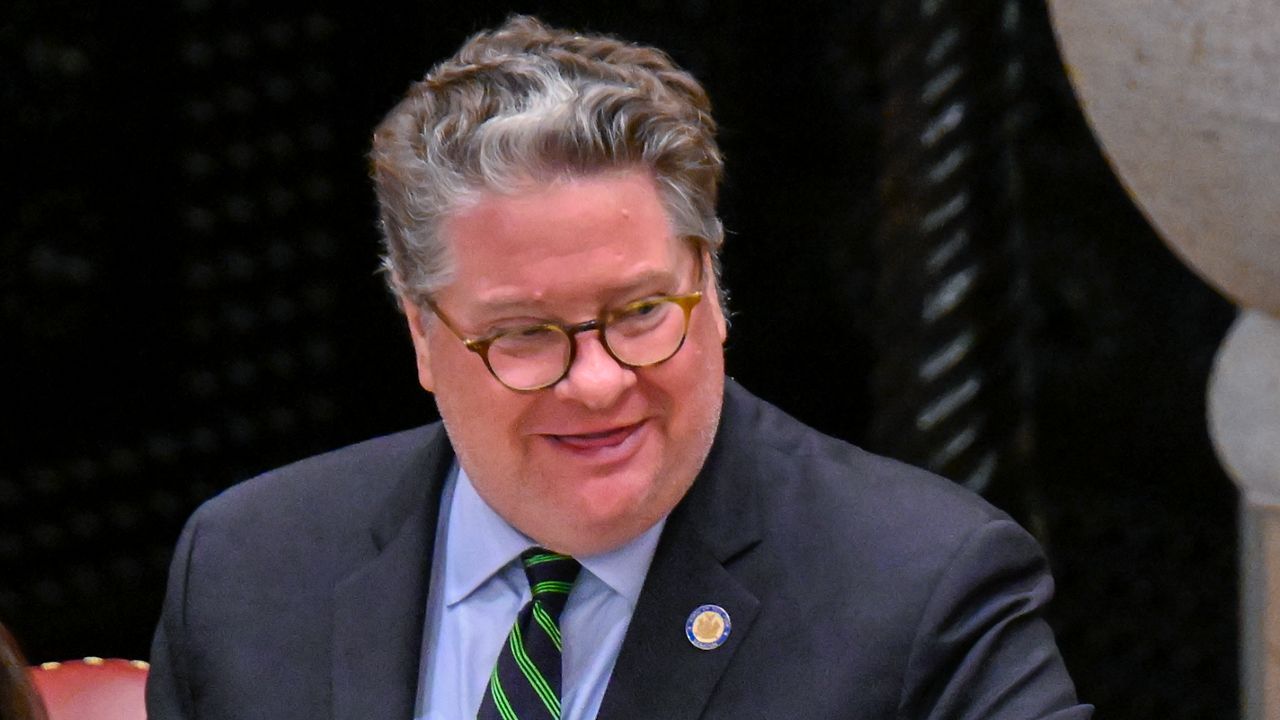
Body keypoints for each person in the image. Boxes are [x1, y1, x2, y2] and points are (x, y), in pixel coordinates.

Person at [147, 15, 1091, 719]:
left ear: (710, 286)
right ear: (422, 337)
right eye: (523, 334)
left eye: (641, 314)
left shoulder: (924, 593)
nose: (597, 382)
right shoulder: (246, 570)